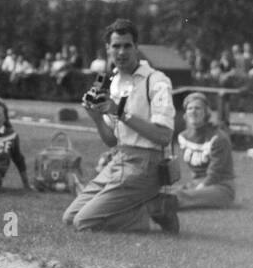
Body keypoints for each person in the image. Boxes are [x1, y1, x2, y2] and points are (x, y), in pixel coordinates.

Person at [62, 20, 180, 234]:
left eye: (127, 45)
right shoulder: (114, 81)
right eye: (116, 46)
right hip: (120, 159)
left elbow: (164, 136)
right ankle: (148, 205)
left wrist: (121, 113)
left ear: (137, 47)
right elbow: (112, 140)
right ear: (108, 49)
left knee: (84, 223)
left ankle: (154, 209)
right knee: (69, 218)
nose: (122, 52)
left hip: (148, 164)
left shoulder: (156, 81)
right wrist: (96, 117)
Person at [167, 92, 236, 209]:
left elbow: (216, 173)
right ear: (185, 113)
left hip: (220, 187)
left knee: (179, 196)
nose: (193, 111)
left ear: (206, 113)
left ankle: (163, 205)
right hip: (196, 184)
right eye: (190, 108)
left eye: (198, 108)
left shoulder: (219, 138)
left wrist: (200, 187)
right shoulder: (183, 137)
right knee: (166, 192)